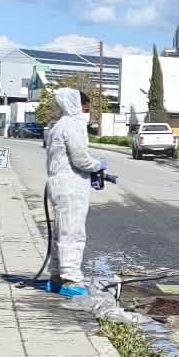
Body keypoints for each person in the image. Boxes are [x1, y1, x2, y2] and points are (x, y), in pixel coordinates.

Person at [44, 87, 108, 298]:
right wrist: (97, 165)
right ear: (76, 105)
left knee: (61, 231)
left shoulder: (58, 126)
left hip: (61, 184)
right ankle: (71, 280)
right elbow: (80, 159)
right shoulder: (70, 126)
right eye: (86, 106)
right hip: (69, 186)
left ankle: (56, 277)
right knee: (72, 233)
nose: (87, 110)